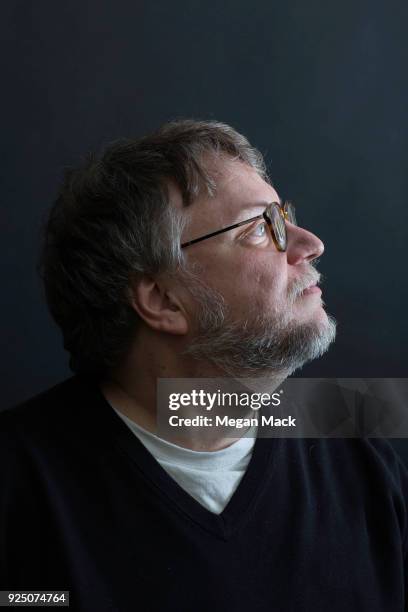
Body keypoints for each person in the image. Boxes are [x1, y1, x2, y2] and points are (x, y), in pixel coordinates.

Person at [1, 120, 407, 611]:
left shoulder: (359, 438)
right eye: (261, 227)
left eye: (284, 215)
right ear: (164, 300)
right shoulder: (21, 489)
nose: (310, 244)